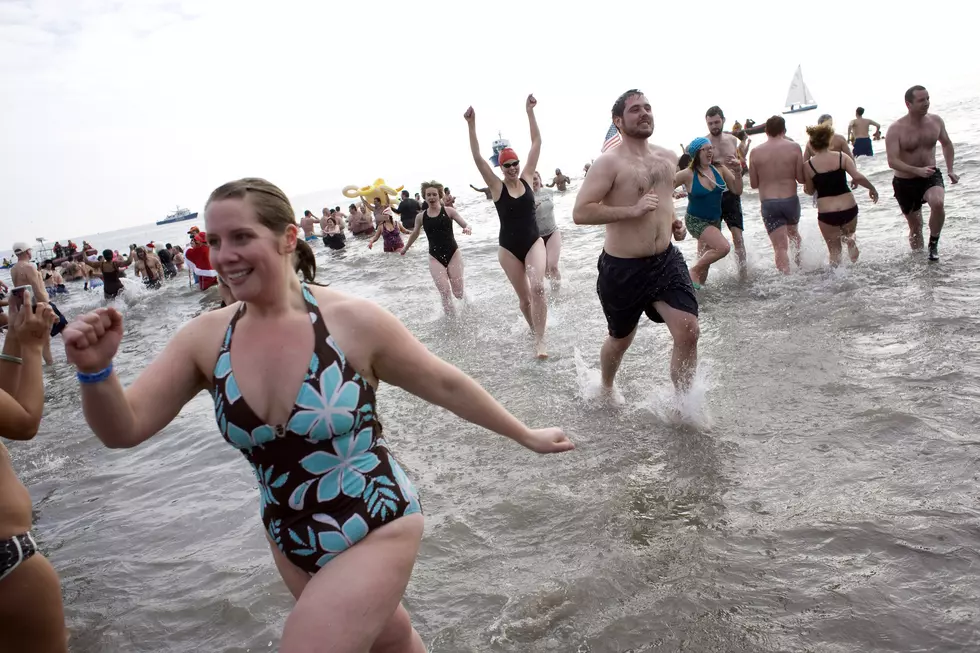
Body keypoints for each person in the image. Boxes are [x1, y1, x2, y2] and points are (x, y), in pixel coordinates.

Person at [61, 177, 573, 653]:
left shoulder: (351, 321)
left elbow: (444, 383)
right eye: (214, 241)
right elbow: (123, 430)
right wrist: (96, 373)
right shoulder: (203, 339)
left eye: (240, 236)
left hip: (376, 519)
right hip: (288, 533)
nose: (224, 255)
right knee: (390, 642)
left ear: (288, 238)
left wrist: (524, 434)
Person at [573, 89, 698, 393]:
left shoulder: (667, 157)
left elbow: (665, 203)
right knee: (620, 340)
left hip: (666, 260)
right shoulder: (609, 163)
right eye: (635, 110)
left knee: (688, 331)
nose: (644, 113)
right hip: (623, 267)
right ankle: (605, 386)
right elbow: (581, 212)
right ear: (618, 121)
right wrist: (633, 210)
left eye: (648, 107)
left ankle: (684, 407)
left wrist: (673, 225)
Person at [0, 298, 67, 653]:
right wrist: (32, 346)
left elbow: (4, 405)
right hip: (6, 559)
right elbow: (24, 422)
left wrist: (13, 337)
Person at [466, 94, 549, 358]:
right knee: (525, 300)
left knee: (537, 288)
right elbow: (478, 157)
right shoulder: (496, 186)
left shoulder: (526, 178)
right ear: (500, 167)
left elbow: (537, 142)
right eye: (507, 165)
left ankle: (540, 340)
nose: (513, 168)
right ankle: (532, 328)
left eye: (515, 163)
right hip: (508, 249)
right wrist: (471, 125)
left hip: (533, 241)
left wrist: (530, 112)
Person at [886, 85, 959, 261]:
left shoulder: (935, 121)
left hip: (930, 175)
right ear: (908, 104)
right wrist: (915, 170)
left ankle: (933, 245)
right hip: (905, 182)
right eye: (921, 100)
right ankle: (918, 259)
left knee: (938, 202)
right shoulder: (896, 129)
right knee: (915, 226)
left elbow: (947, 143)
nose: (926, 103)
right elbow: (892, 161)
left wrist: (950, 169)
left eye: (927, 98)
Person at [803, 122, 879, 267]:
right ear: (828, 141)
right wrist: (872, 188)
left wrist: (808, 188)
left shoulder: (808, 166)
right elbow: (857, 176)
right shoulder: (841, 157)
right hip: (848, 207)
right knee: (849, 234)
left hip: (827, 212)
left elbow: (811, 190)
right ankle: (851, 239)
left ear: (812, 145)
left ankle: (837, 283)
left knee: (834, 251)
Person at [674, 137, 743, 287]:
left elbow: (737, 190)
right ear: (697, 153)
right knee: (723, 248)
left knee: (705, 267)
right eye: (706, 149)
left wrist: (738, 172)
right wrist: (672, 196)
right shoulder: (688, 174)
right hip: (696, 220)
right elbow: (665, 187)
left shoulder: (720, 169)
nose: (710, 151)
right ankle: (692, 270)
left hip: (714, 221)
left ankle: (696, 294)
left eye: (711, 148)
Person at [402, 181, 473, 313]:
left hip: (453, 254)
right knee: (445, 293)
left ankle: (469, 309)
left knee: (458, 293)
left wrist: (467, 228)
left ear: (439, 195)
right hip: (434, 257)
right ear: (424, 196)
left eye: (434, 194)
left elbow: (465, 224)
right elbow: (415, 234)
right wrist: (406, 248)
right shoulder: (420, 217)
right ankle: (451, 323)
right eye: (428, 194)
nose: (431, 197)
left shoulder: (449, 211)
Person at [748, 115, 805, 274]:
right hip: (790, 201)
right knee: (794, 235)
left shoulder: (755, 152)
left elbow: (753, 184)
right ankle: (800, 268)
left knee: (780, 248)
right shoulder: (794, 147)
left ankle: (786, 280)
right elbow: (800, 179)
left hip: (769, 204)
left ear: (766, 131)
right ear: (783, 130)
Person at [9, 243, 69, 365]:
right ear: (27, 252)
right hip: (41, 304)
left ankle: (51, 368)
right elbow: (37, 289)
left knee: (44, 339)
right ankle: (71, 361)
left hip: (27, 307)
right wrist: (49, 307)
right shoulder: (29, 267)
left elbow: (18, 290)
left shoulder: (13, 269)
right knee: (65, 329)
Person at [704, 106, 747, 275]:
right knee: (708, 241)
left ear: (723, 120)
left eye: (716, 122)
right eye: (710, 123)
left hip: (731, 194)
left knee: (738, 237)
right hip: (712, 196)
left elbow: (739, 163)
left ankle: (743, 275)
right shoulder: (704, 143)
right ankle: (701, 276)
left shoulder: (732, 140)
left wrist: (739, 166)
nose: (714, 126)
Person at [532, 171, 562, 290]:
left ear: (540, 179)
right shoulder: (527, 198)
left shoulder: (549, 192)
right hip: (537, 238)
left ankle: (557, 294)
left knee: (553, 266)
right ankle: (552, 287)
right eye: (531, 180)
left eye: (535, 178)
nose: (534, 182)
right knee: (546, 272)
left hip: (553, 231)